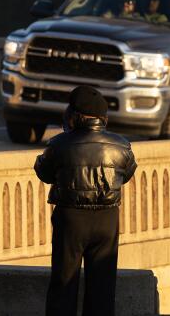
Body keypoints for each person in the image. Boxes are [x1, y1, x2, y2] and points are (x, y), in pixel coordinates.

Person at [34, 86, 138, 316]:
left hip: (71, 218)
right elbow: (126, 174)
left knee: (64, 282)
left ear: (74, 115)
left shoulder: (59, 144)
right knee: (102, 286)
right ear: (103, 118)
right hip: (107, 219)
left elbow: (44, 173)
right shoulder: (121, 145)